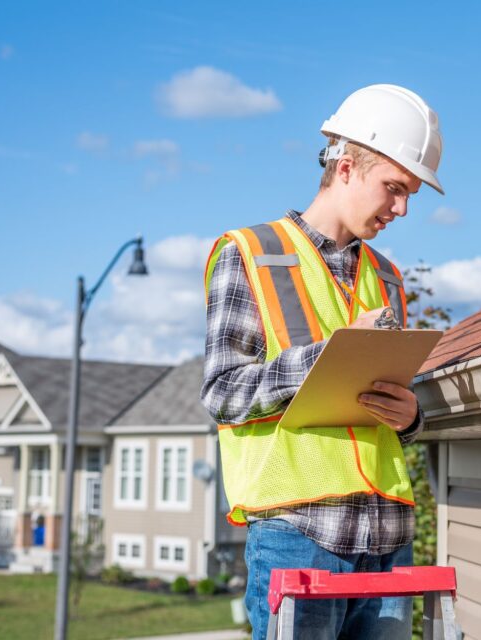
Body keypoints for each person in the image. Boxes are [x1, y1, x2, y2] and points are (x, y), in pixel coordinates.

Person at [201, 84, 444, 639]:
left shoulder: (386, 278)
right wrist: (327, 356)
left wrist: (409, 418)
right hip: (299, 532)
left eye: (410, 195)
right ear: (345, 166)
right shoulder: (250, 255)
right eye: (393, 188)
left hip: (389, 534)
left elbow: (377, 418)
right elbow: (222, 392)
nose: (402, 209)